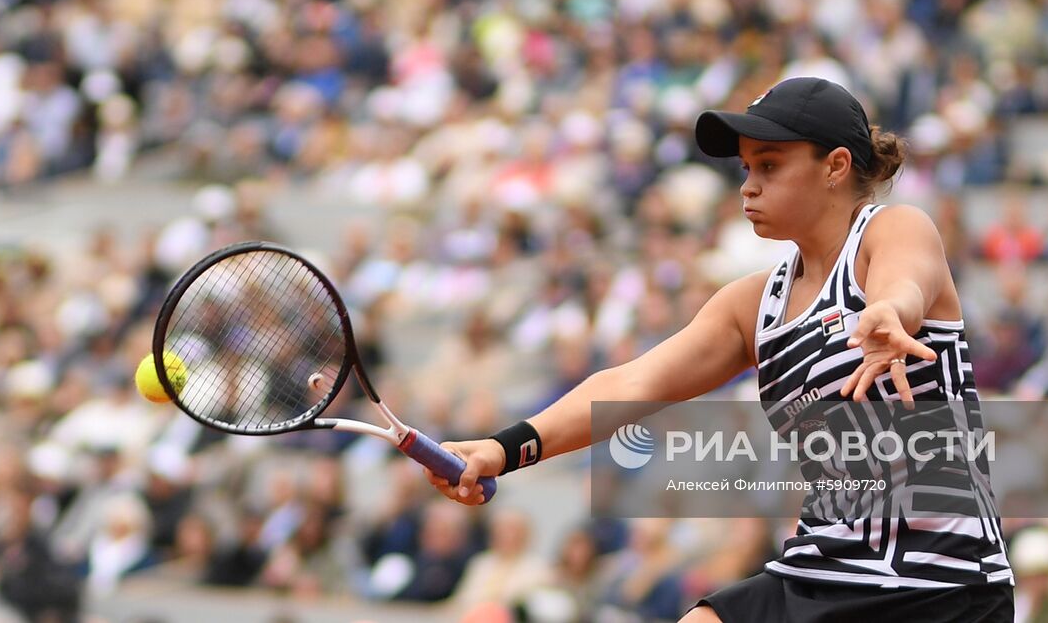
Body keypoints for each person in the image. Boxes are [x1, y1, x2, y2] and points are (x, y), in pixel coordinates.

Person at [430, 76, 1016, 620]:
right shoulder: (751, 304)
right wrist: (502, 450)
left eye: (769, 165)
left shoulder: (892, 229)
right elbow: (629, 386)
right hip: (825, 565)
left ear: (836, 166)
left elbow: (905, 279)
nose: (748, 185)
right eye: (745, 167)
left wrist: (891, 310)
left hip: (943, 583)